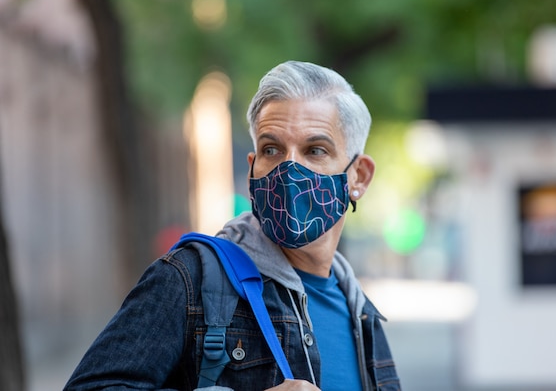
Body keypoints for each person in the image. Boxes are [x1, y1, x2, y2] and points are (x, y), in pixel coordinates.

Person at [64, 61, 401, 391]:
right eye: (272, 149)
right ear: (253, 167)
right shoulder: (189, 280)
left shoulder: (362, 315)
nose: (289, 170)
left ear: (358, 177)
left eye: (315, 150)